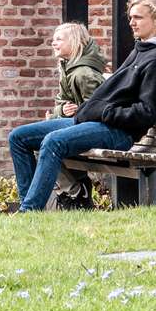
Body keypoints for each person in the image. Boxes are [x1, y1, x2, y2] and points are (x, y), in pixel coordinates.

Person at [8, 0, 156, 212]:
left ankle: (29, 212)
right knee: (18, 137)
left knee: (53, 142)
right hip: (93, 121)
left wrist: (105, 111)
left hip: (118, 132)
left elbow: (145, 113)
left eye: (138, 17)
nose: (131, 22)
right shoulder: (141, 50)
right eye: (130, 17)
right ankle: (28, 206)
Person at [49, 22, 107, 210]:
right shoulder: (68, 69)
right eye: (53, 39)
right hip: (76, 126)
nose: (53, 43)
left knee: (41, 144)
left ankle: (74, 192)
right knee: (37, 141)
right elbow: (60, 102)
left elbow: (98, 110)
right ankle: (75, 191)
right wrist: (62, 110)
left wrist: (77, 110)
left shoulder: (84, 74)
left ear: (74, 42)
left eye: (59, 39)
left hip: (94, 132)